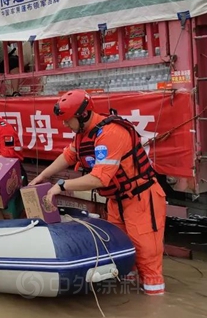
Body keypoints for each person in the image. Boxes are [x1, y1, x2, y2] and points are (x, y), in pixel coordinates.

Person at [30, 89, 166, 296]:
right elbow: (68, 156)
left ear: (83, 115)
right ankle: (129, 304)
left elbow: (99, 178)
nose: (65, 124)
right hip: (116, 201)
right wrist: (43, 176)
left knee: (147, 258)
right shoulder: (82, 134)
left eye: (68, 120)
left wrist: (61, 186)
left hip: (141, 198)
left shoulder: (111, 133)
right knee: (121, 254)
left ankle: (154, 306)